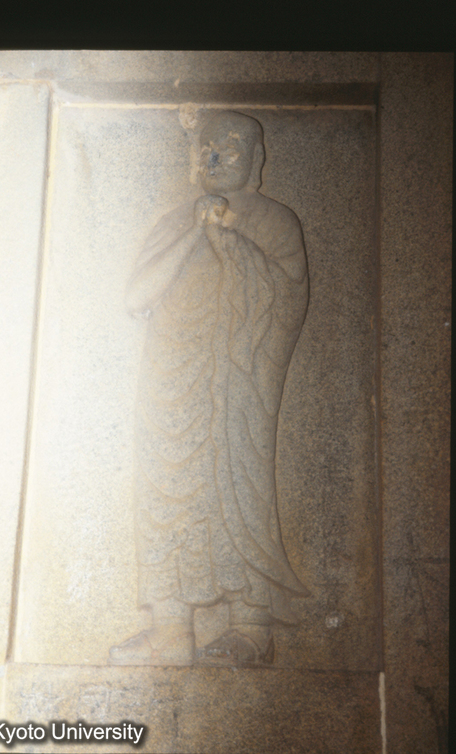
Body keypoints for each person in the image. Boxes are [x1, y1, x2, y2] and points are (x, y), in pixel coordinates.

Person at [109, 110, 309, 666]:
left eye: (231, 147)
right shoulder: (176, 221)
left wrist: (230, 240)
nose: (214, 157)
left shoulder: (275, 220)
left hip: (236, 383)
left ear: (258, 161)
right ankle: (171, 629)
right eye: (205, 148)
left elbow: (288, 296)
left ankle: (252, 627)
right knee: (164, 497)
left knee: (236, 492)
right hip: (170, 379)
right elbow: (137, 297)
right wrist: (195, 231)